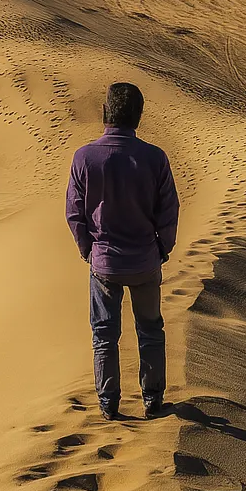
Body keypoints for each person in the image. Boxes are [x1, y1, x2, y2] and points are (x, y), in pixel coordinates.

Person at [66, 83, 179, 421]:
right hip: (145, 261)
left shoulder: (85, 157)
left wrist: (89, 250)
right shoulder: (154, 157)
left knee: (104, 334)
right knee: (150, 330)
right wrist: (162, 248)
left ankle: (108, 404)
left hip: (104, 264)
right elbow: (169, 210)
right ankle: (153, 399)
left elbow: (74, 213)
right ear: (138, 117)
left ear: (106, 113)